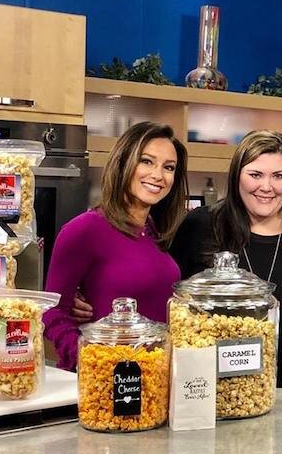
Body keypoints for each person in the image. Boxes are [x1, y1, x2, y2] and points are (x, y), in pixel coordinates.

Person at [169, 130, 282, 387]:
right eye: (255, 175)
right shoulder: (201, 224)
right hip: (206, 385)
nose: (267, 187)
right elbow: (165, 289)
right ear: (237, 176)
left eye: (278, 176)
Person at [43, 122, 188, 371]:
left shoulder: (154, 230)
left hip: (154, 379)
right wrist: (96, 365)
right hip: (105, 385)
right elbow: (52, 314)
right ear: (123, 162)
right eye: (147, 161)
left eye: (169, 167)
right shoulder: (85, 229)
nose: (158, 175)